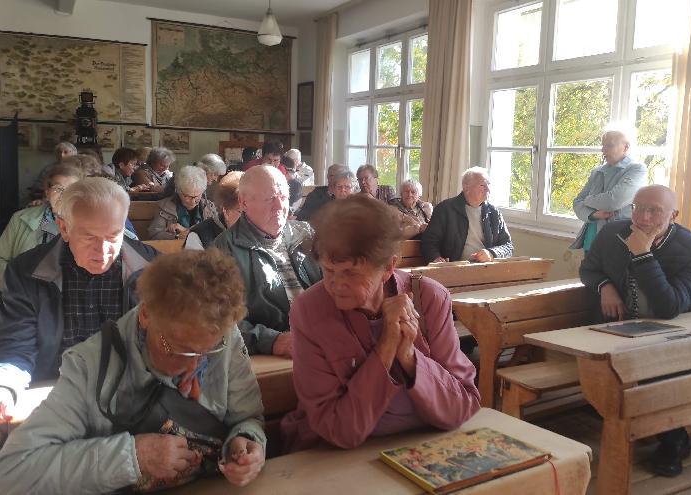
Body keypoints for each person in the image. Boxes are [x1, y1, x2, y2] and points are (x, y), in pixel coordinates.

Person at [0, 249, 266, 494]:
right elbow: (9, 475)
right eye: (180, 349)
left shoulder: (225, 338)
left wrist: (248, 442)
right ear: (145, 315)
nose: (194, 366)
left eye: (207, 352)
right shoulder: (90, 366)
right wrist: (133, 457)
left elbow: (248, 418)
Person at [0, 178, 157, 494]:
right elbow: (14, 346)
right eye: (90, 237)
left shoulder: (152, 268)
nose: (103, 251)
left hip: (129, 398)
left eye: (113, 236)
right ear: (64, 229)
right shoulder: (28, 271)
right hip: (54, 395)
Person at [280, 195, 480, 452]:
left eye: (351, 272)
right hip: (336, 457)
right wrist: (386, 347)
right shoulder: (310, 310)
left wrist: (408, 357)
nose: (336, 285)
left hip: (423, 444)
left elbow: (462, 406)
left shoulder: (429, 298)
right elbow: (339, 429)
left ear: (388, 267)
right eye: (329, 270)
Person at [579, 184, 691, 477]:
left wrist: (642, 255)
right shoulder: (611, 233)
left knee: (684, 363)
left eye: (655, 210)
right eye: (638, 207)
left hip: (676, 330)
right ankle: (679, 438)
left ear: (674, 215)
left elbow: (670, 306)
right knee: (646, 366)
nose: (643, 217)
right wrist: (605, 287)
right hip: (619, 329)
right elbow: (588, 270)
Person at [214, 166, 321, 357]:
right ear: (243, 202)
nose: (280, 206)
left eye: (283, 197)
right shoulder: (223, 250)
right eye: (270, 198)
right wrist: (271, 340)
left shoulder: (307, 234)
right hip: (273, 352)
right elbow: (218, 318)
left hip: (324, 338)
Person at [0, 163, 85, 291]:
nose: (64, 195)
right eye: (58, 189)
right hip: (23, 300)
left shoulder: (91, 226)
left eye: (71, 190)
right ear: (47, 192)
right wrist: (15, 289)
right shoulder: (20, 219)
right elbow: (0, 258)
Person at [571, 126, 648, 252]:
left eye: (609, 146)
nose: (603, 150)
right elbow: (577, 202)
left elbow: (613, 201)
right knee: (588, 271)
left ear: (626, 147)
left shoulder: (637, 169)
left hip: (618, 239)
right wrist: (593, 214)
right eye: (603, 146)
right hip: (591, 238)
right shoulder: (597, 171)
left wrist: (588, 200)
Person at [422, 167, 513, 263]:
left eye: (488, 184)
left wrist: (491, 253)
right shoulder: (445, 209)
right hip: (454, 268)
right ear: (466, 187)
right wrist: (435, 258)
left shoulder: (494, 213)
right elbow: (429, 242)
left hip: (486, 268)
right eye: (482, 185)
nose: (488, 189)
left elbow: (508, 246)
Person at [148, 166, 219, 240]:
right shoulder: (164, 206)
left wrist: (187, 232)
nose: (193, 201)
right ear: (178, 191)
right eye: (187, 196)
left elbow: (217, 234)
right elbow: (154, 234)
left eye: (197, 196)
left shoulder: (209, 207)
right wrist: (177, 237)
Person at [185, 171, 243, 250]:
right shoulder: (199, 236)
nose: (251, 217)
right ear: (226, 211)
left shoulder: (260, 231)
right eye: (243, 212)